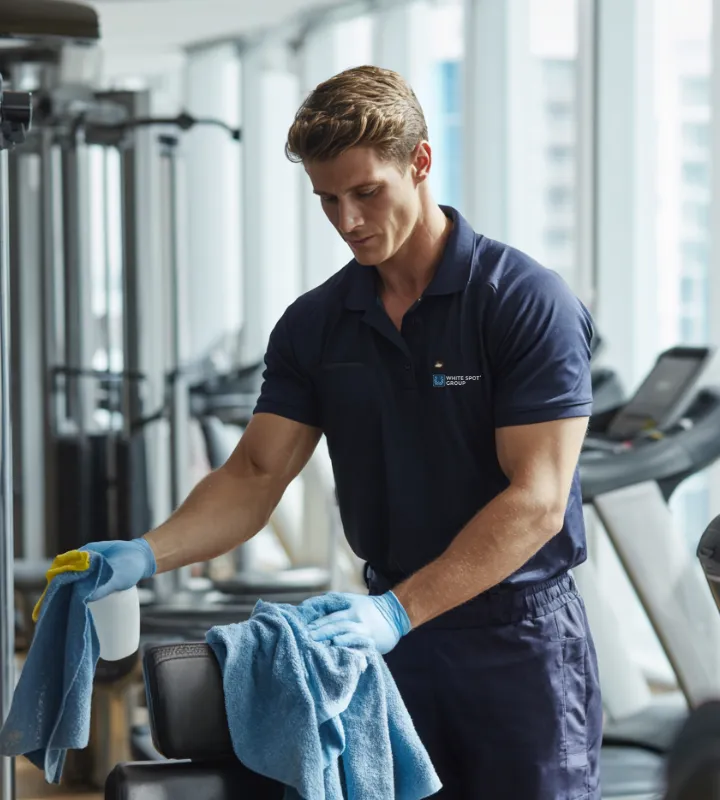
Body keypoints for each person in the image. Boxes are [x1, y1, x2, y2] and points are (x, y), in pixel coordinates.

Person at [79, 66, 602, 798]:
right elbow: (254, 476)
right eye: (327, 199)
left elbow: (539, 499)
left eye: (366, 193)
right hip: (387, 641)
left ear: (419, 163)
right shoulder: (317, 323)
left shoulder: (521, 302)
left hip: (514, 646)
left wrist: (399, 612)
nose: (348, 220)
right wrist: (145, 553)